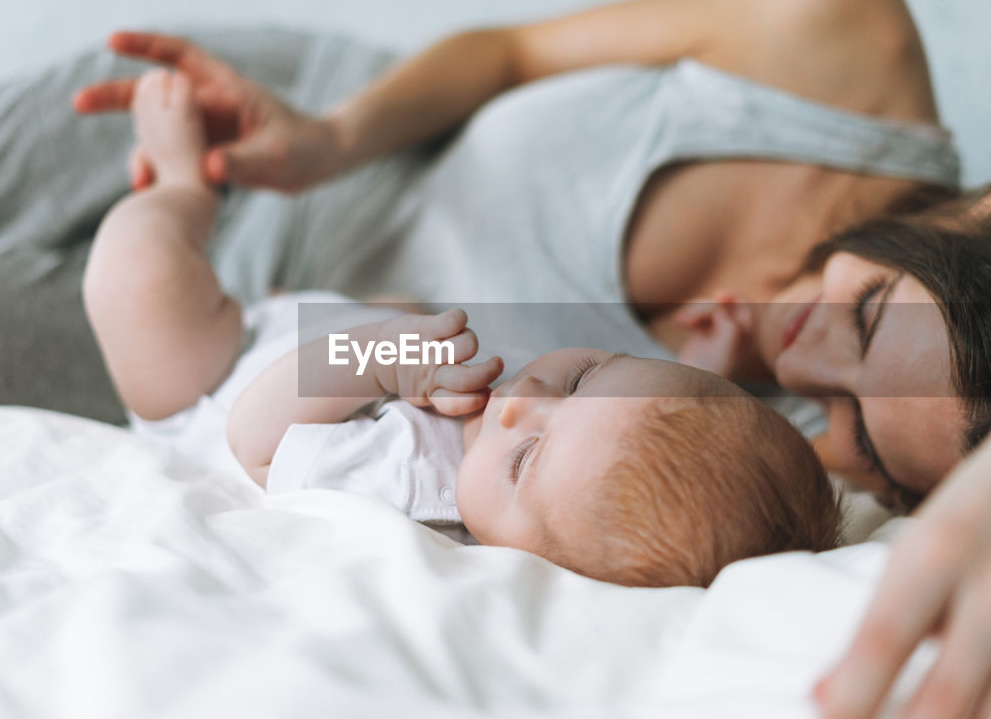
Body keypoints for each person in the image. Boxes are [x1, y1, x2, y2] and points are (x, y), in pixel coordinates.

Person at [0, 0, 991, 719]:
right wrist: (329, 136)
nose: (798, 359)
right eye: (854, 319)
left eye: (843, 421)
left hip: (250, 344)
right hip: (302, 141)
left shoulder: (719, 469)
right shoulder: (837, 41)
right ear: (982, 209)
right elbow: (506, 54)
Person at [82, 69, 841, 588]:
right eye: (583, 376)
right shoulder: (525, 447)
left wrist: (387, 353)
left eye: (526, 458)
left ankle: (183, 183)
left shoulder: (417, 492)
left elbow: (257, 434)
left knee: (135, 278)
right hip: (302, 331)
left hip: (208, 381)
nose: (524, 399)